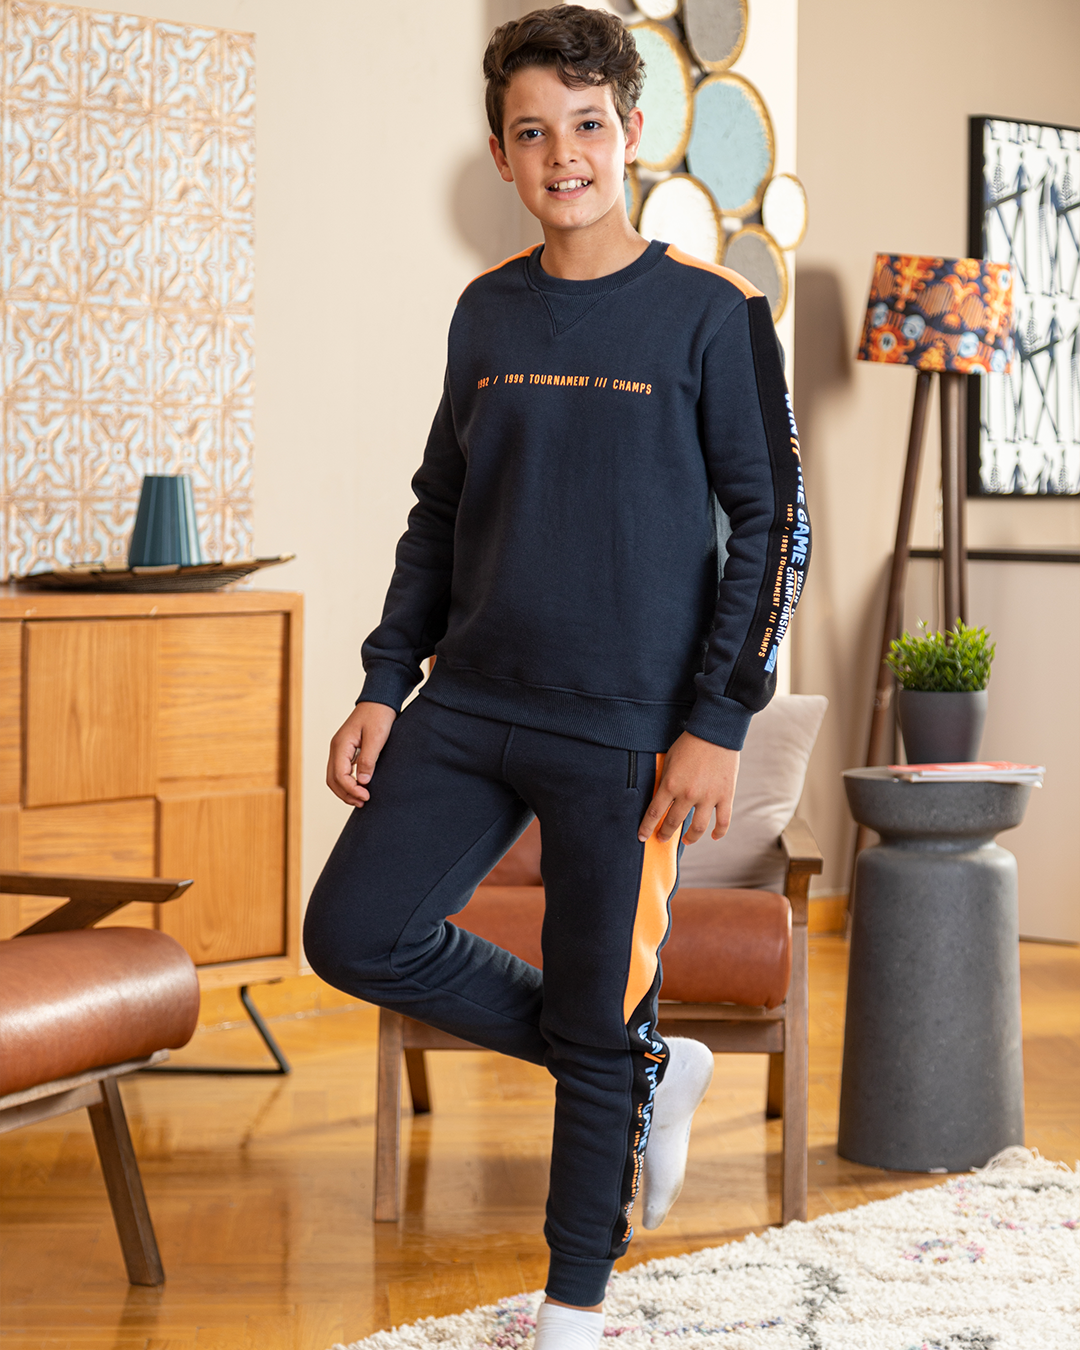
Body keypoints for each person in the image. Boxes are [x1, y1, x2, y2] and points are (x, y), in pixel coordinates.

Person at [304, 7, 810, 1348]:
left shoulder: (716, 315)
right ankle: (642, 1064)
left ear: (631, 134)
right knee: (353, 933)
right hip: (468, 703)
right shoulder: (486, 310)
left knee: (595, 1013)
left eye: (587, 125)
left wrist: (718, 722)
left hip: (631, 736)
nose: (563, 153)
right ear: (501, 155)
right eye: (533, 132)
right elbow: (439, 509)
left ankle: (574, 1310)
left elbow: (776, 528)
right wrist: (382, 680)